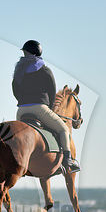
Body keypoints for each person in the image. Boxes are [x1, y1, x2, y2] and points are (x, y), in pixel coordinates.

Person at [12, 40, 80, 172]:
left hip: (21, 111)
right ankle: (68, 161)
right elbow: (52, 90)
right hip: (39, 108)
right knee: (63, 130)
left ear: (27, 52)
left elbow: (14, 89)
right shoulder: (45, 70)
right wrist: (48, 106)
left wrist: (22, 101)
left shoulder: (19, 69)